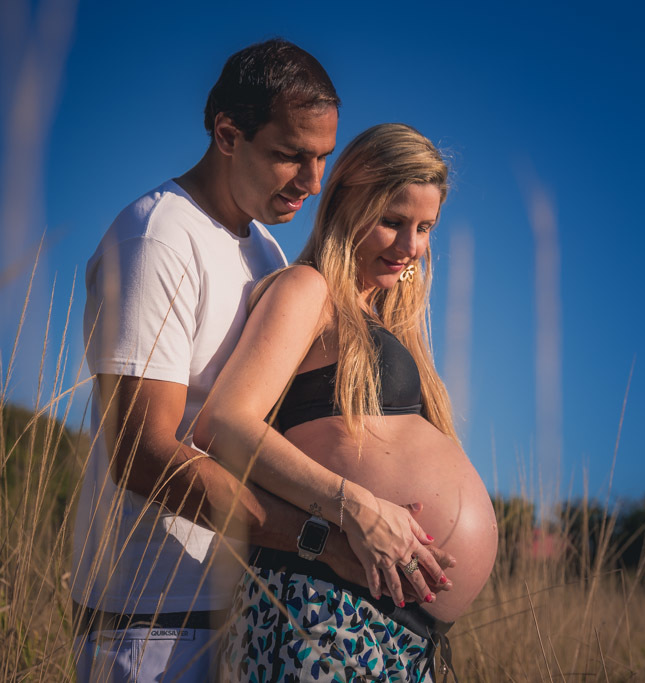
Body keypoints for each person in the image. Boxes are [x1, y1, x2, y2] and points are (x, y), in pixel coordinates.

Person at [73, 42, 449, 683]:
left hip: (239, 603)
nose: (312, 180)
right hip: (154, 616)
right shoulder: (158, 237)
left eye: (323, 157)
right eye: (290, 155)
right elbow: (143, 454)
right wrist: (329, 538)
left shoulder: (267, 253)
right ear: (227, 133)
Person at [194, 123, 498, 681]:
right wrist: (356, 506)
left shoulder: (381, 318)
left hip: (391, 632)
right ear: (348, 201)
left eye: (425, 228)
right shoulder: (308, 290)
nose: (410, 246)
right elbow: (223, 424)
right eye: (392, 221)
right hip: (321, 610)